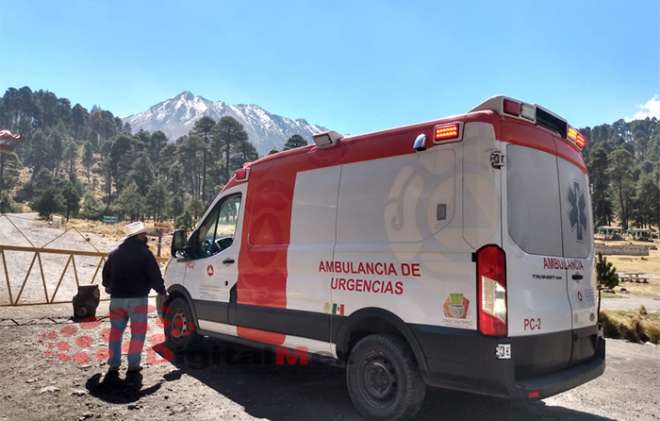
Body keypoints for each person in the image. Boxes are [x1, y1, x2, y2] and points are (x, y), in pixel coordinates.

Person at [101, 221, 167, 385]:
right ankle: (133, 365)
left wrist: (109, 286)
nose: (146, 236)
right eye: (143, 234)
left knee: (116, 332)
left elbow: (105, 276)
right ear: (138, 235)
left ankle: (114, 365)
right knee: (137, 333)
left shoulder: (115, 253)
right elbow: (154, 275)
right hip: (138, 300)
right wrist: (162, 292)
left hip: (117, 299)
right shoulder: (145, 253)